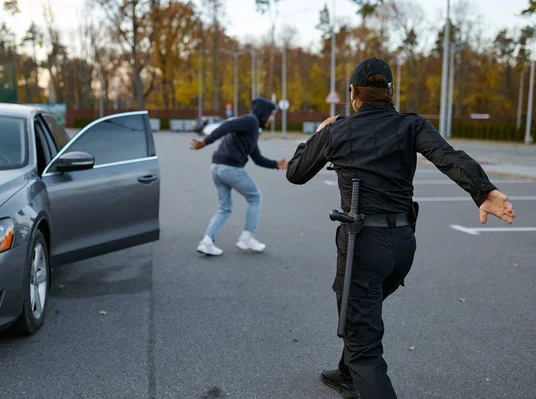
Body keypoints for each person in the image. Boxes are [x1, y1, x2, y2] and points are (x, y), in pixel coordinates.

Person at [285, 57, 516, 399]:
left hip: (363, 246)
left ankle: (356, 369)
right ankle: (347, 375)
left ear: (353, 93)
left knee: (364, 343)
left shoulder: (337, 130)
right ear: (391, 92)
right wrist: (484, 191)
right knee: (355, 309)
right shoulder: (412, 124)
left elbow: (296, 172)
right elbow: (447, 156)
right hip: (402, 247)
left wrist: (317, 136)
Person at [190, 97, 288, 256]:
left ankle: (207, 241)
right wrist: (205, 142)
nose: (271, 119)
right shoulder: (251, 120)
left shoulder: (251, 130)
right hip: (230, 168)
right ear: (264, 113)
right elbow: (227, 125)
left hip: (217, 167)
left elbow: (257, 158)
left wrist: (276, 164)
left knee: (224, 207)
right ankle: (247, 237)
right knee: (255, 198)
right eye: (271, 114)